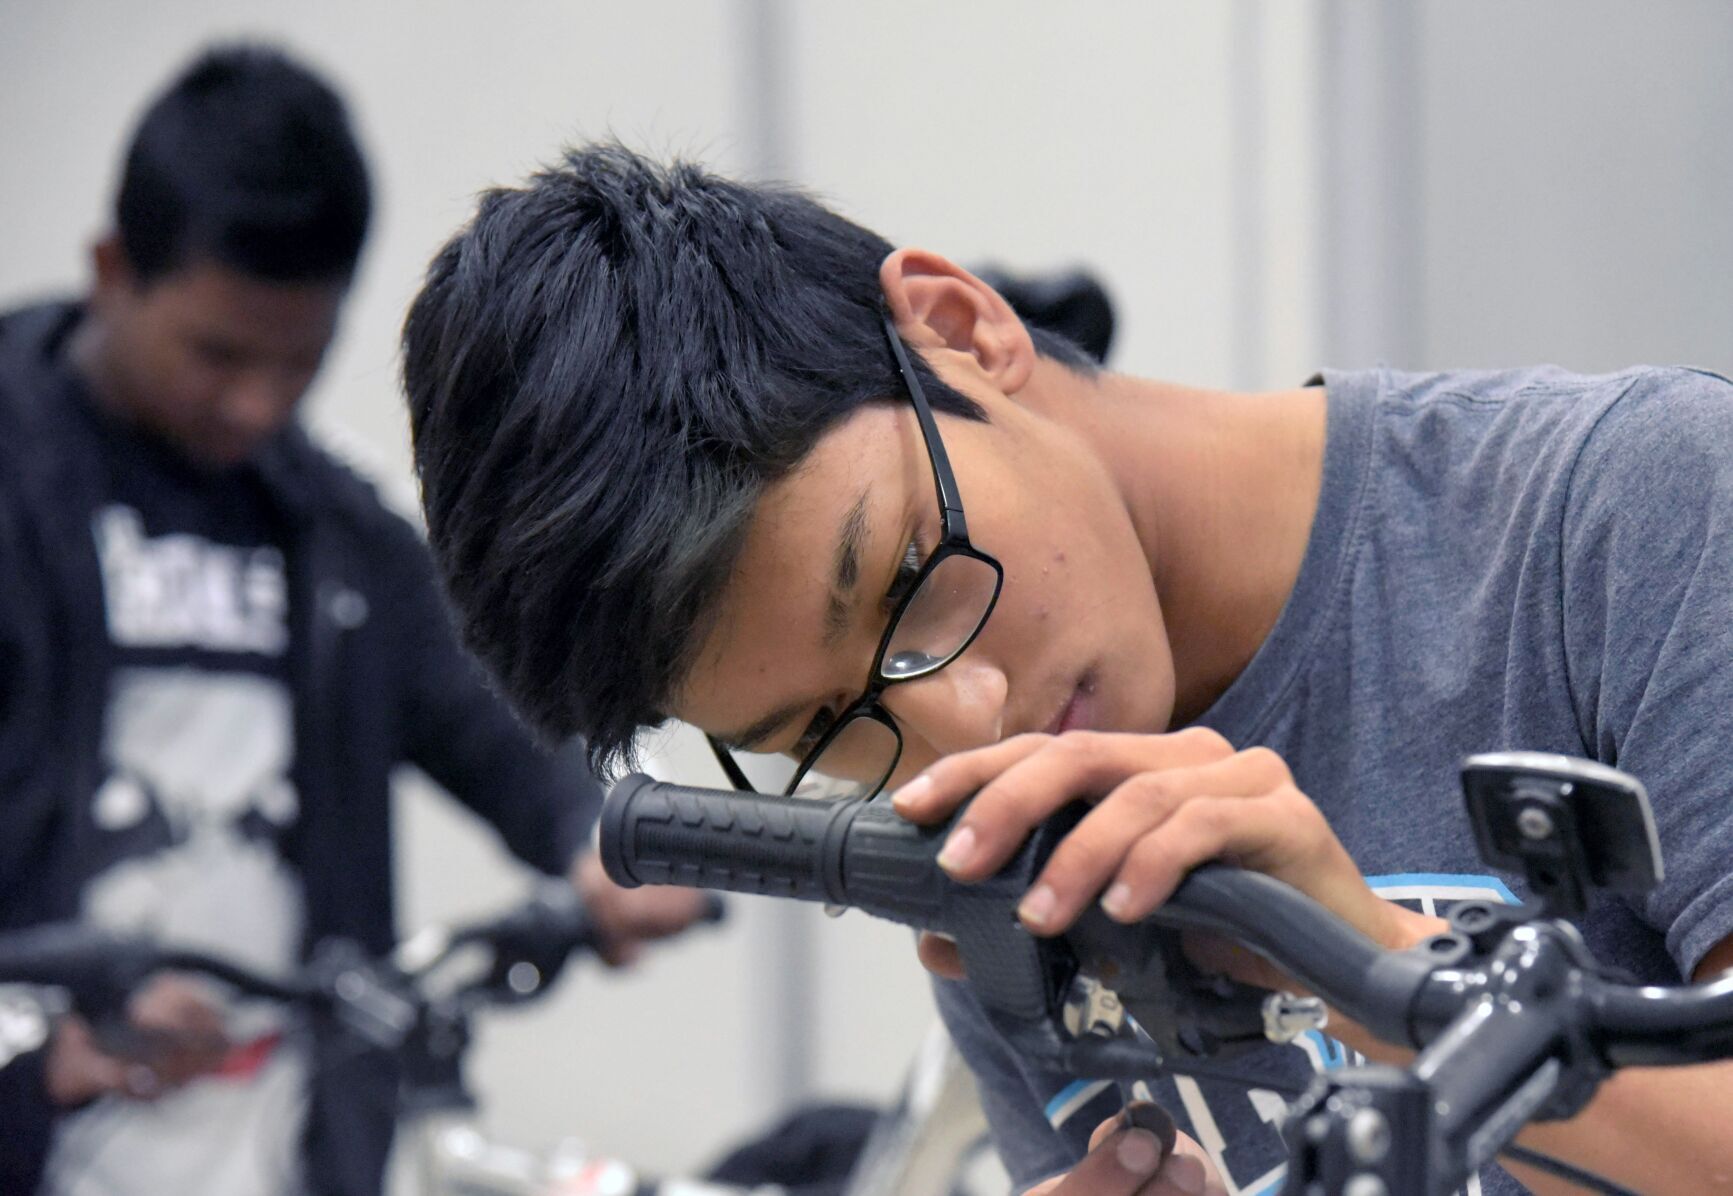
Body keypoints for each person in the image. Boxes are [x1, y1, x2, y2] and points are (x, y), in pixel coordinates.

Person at [400, 142, 1733, 1195]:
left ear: (959, 328)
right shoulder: (1003, 869)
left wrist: (1373, 971)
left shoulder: (1631, 511)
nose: (964, 720)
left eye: (913, 571)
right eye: (824, 727)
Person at [0, 52, 705, 1196]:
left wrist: (607, 830)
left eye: (301, 360)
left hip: (286, 1140)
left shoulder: (332, 520)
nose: (257, 404)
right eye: (218, 354)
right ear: (110, 270)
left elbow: (500, 706)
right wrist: (31, 1041)